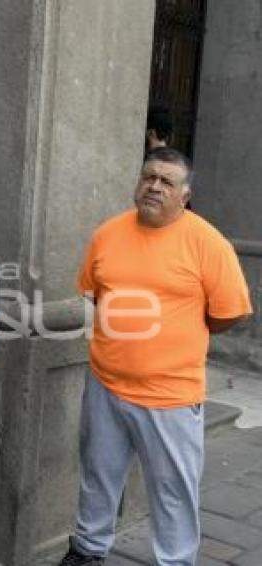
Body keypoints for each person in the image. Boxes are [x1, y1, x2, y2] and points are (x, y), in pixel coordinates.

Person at [59, 147, 252, 566]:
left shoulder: (208, 243)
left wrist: (174, 339)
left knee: (172, 491)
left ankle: (176, 561)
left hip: (171, 396)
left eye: (167, 182)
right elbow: (94, 293)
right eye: (149, 177)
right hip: (105, 385)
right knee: (97, 478)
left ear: (185, 195)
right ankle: (88, 551)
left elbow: (228, 313)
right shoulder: (108, 233)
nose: (154, 187)